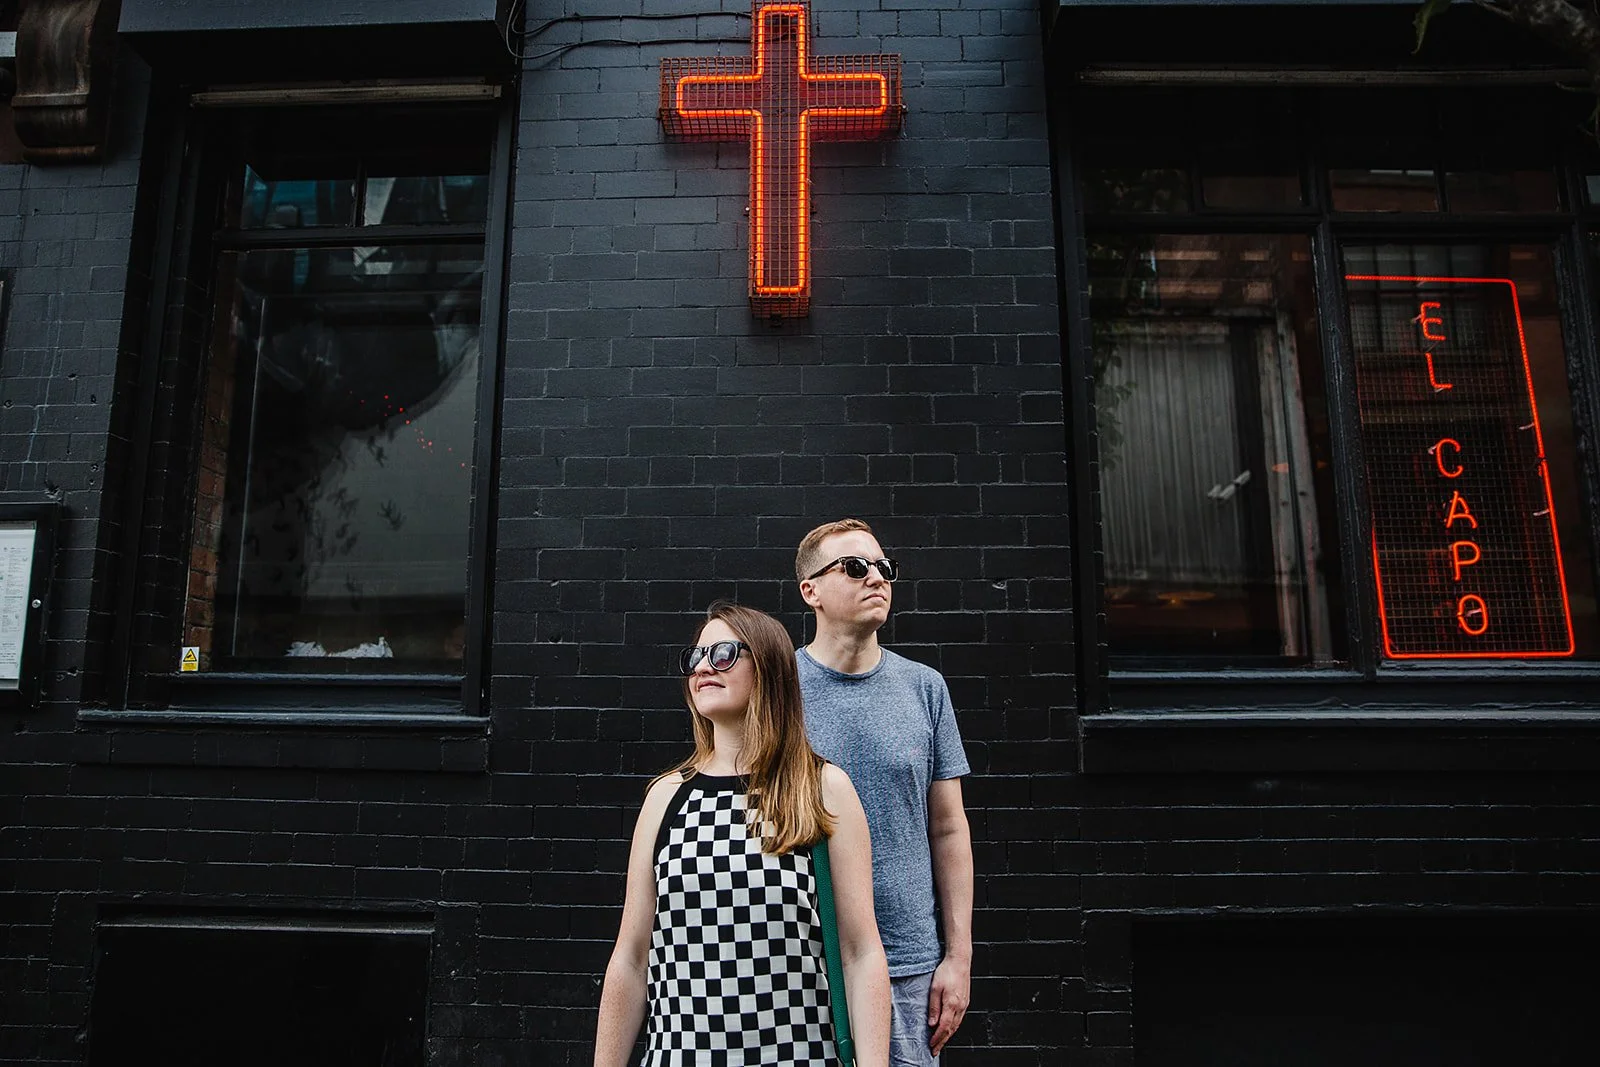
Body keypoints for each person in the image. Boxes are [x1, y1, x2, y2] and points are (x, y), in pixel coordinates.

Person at [594, 600, 892, 1067]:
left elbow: (860, 953)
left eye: (724, 654)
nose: (703, 668)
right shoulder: (666, 798)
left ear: (769, 668)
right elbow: (631, 959)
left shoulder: (821, 788)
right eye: (695, 657)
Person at [794, 520, 974, 1066]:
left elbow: (948, 828)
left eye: (883, 567)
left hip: (907, 964)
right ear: (812, 591)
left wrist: (958, 957)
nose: (876, 577)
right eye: (854, 567)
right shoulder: (777, 691)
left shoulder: (925, 688)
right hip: (799, 960)